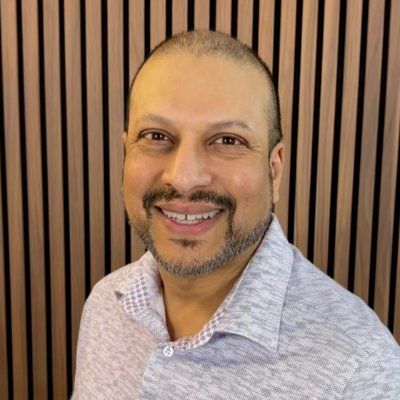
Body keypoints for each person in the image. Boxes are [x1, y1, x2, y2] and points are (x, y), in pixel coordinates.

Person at [72, 30, 400, 399]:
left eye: (228, 140)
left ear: (274, 170)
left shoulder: (362, 372)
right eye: (156, 136)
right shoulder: (106, 303)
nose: (183, 178)